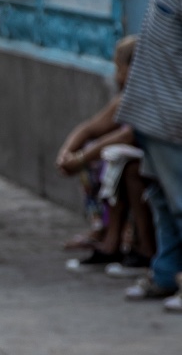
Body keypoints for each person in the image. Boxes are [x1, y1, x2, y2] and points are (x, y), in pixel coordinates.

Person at [119, 0, 182, 308]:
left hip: (172, 111)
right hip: (150, 112)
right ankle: (164, 273)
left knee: (179, 199)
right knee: (160, 197)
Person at [56, 36, 153, 269]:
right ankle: (110, 238)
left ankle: (135, 245)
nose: (116, 75)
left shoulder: (148, 98)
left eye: (119, 68)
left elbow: (127, 135)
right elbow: (89, 128)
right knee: (112, 164)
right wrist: (66, 153)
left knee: (123, 169)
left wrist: (80, 159)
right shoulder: (124, 100)